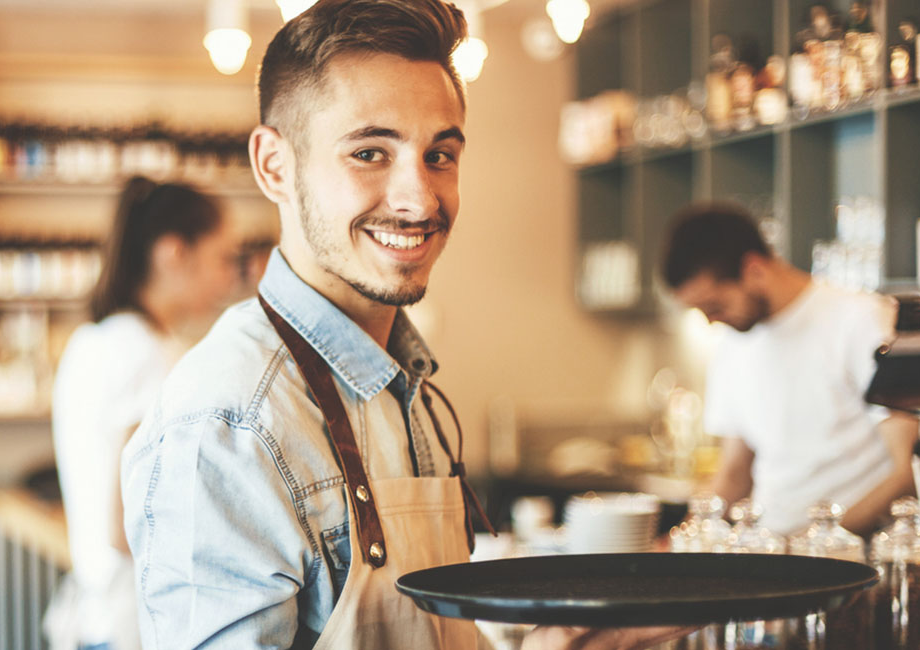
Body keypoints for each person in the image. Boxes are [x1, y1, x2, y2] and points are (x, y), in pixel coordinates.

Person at [121, 1, 691, 648]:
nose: (419, 200)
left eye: (440, 155)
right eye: (369, 152)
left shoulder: (400, 379)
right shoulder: (227, 423)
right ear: (274, 166)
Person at [44, 177, 240, 650]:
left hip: (97, 614)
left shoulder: (95, 339)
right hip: (133, 623)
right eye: (223, 258)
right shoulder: (150, 355)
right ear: (174, 252)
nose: (230, 279)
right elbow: (129, 522)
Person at [661, 202, 918, 536]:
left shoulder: (860, 320)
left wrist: (822, 545)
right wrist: (683, 544)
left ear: (753, 268)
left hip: (851, 558)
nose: (711, 321)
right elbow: (735, 474)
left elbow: (907, 472)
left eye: (714, 306)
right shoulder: (732, 344)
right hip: (772, 553)